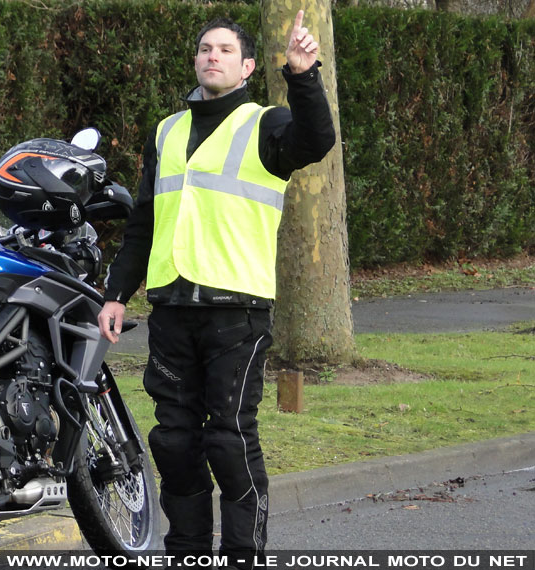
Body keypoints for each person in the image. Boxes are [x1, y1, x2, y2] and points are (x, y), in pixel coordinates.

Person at [96, 11, 335, 568]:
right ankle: (186, 556)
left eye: (225, 50)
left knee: (227, 441)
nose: (212, 56)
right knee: (175, 445)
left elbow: (317, 139)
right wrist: (115, 291)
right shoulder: (167, 131)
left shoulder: (267, 125)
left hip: (238, 311)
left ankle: (243, 556)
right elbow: (144, 222)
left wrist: (303, 74)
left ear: (248, 66)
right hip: (173, 309)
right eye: (205, 48)